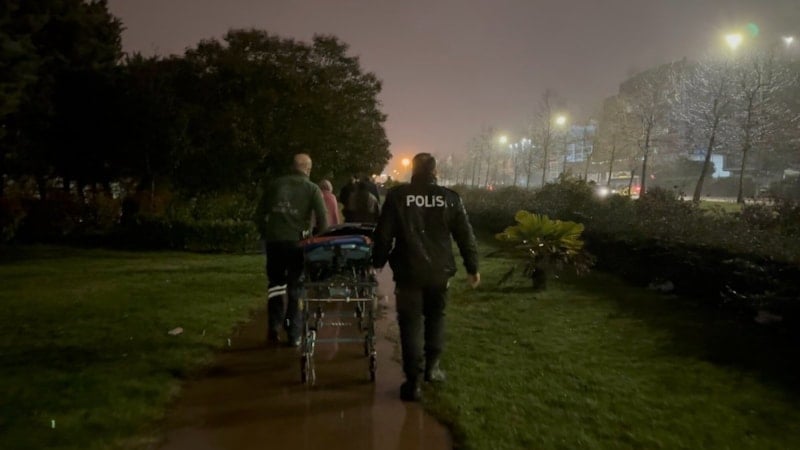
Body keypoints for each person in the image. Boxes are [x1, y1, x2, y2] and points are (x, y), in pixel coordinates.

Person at [371, 152, 480, 401]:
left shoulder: (398, 196)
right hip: (439, 272)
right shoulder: (450, 198)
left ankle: (413, 382)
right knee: (436, 317)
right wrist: (472, 267)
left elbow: (384, 234)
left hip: (408, 271)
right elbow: (465, 236)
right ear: (435, 171)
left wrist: (377, 262)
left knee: (410, 323)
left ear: (413, 170)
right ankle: (432, 368)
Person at [254, 153, 328, 346]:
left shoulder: (275, 185)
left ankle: (274, 327)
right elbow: (323, 219)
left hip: (275, 242)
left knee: (276, 285)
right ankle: (293, 332)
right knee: (296, 286)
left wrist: (266, 232)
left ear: (292, 167)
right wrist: (317, 241)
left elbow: (259, 214)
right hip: (297, 244)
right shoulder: (312, 188)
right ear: (308, 169)